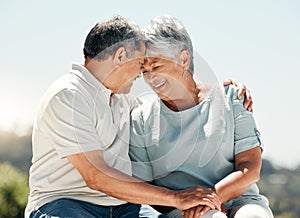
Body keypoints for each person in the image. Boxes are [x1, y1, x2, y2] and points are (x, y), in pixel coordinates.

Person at [25, 16, 225, 218]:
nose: (142, 74)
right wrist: (176, 198)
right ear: (120, 56)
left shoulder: (122, 99)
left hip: (125, 207)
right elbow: (96, 176)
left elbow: (169, 105)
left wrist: (220, 92)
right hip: (66, 203)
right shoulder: (68, 96)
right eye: (140, 64)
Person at [129, 15, 274, 218]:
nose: (151, 78)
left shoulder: (232, 98)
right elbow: (144, 188)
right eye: (144, 70)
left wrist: (212, 198)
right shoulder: (140, 119)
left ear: (184, 59)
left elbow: (250, 167)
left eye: (157, 66)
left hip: (241, 201)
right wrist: (192, 204)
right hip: (183, 211)